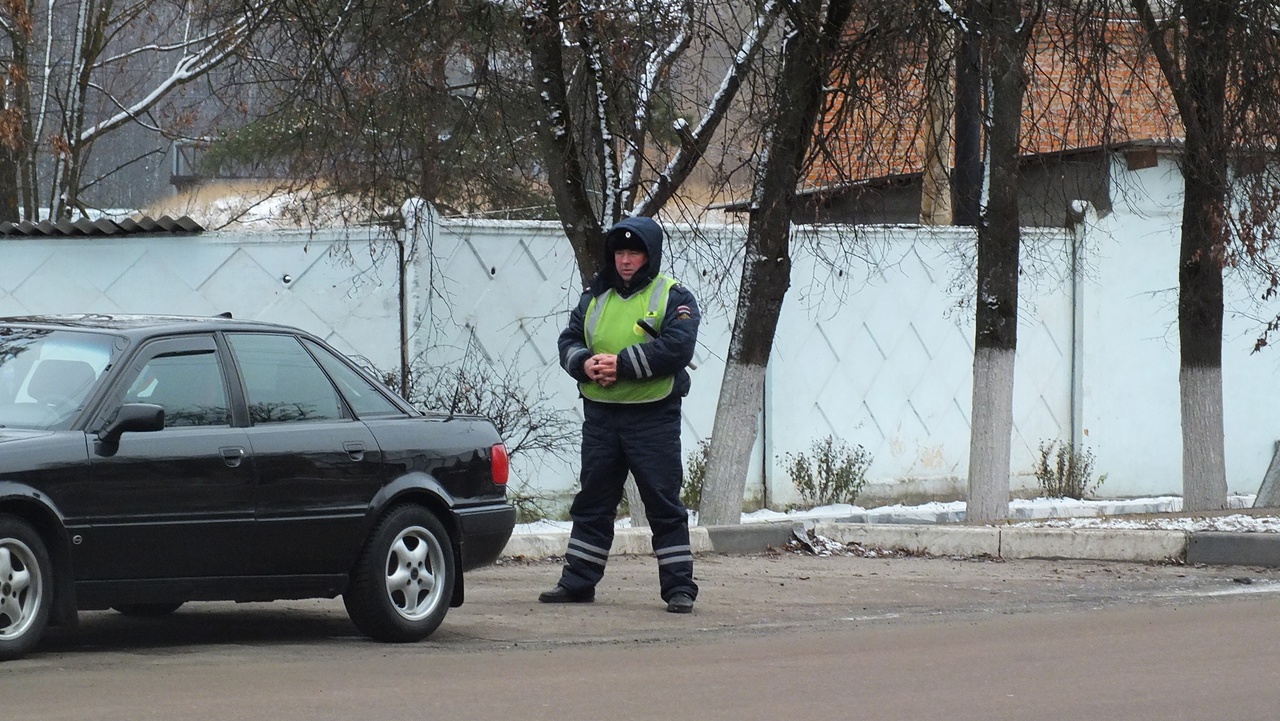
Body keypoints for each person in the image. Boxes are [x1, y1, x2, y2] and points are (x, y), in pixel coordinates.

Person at [540, 216, 700, 614]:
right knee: (593, 501)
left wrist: (622, 364)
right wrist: (584, 364)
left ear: (649, 256)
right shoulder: (595, 296)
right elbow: (569, 340)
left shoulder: (673, 296)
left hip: (653, 417)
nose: (626, 260)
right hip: (601, 418)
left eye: (634, 252)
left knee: (663, 504)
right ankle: (578, 582)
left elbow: (678, 348)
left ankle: (679, 588)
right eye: (620, 253)